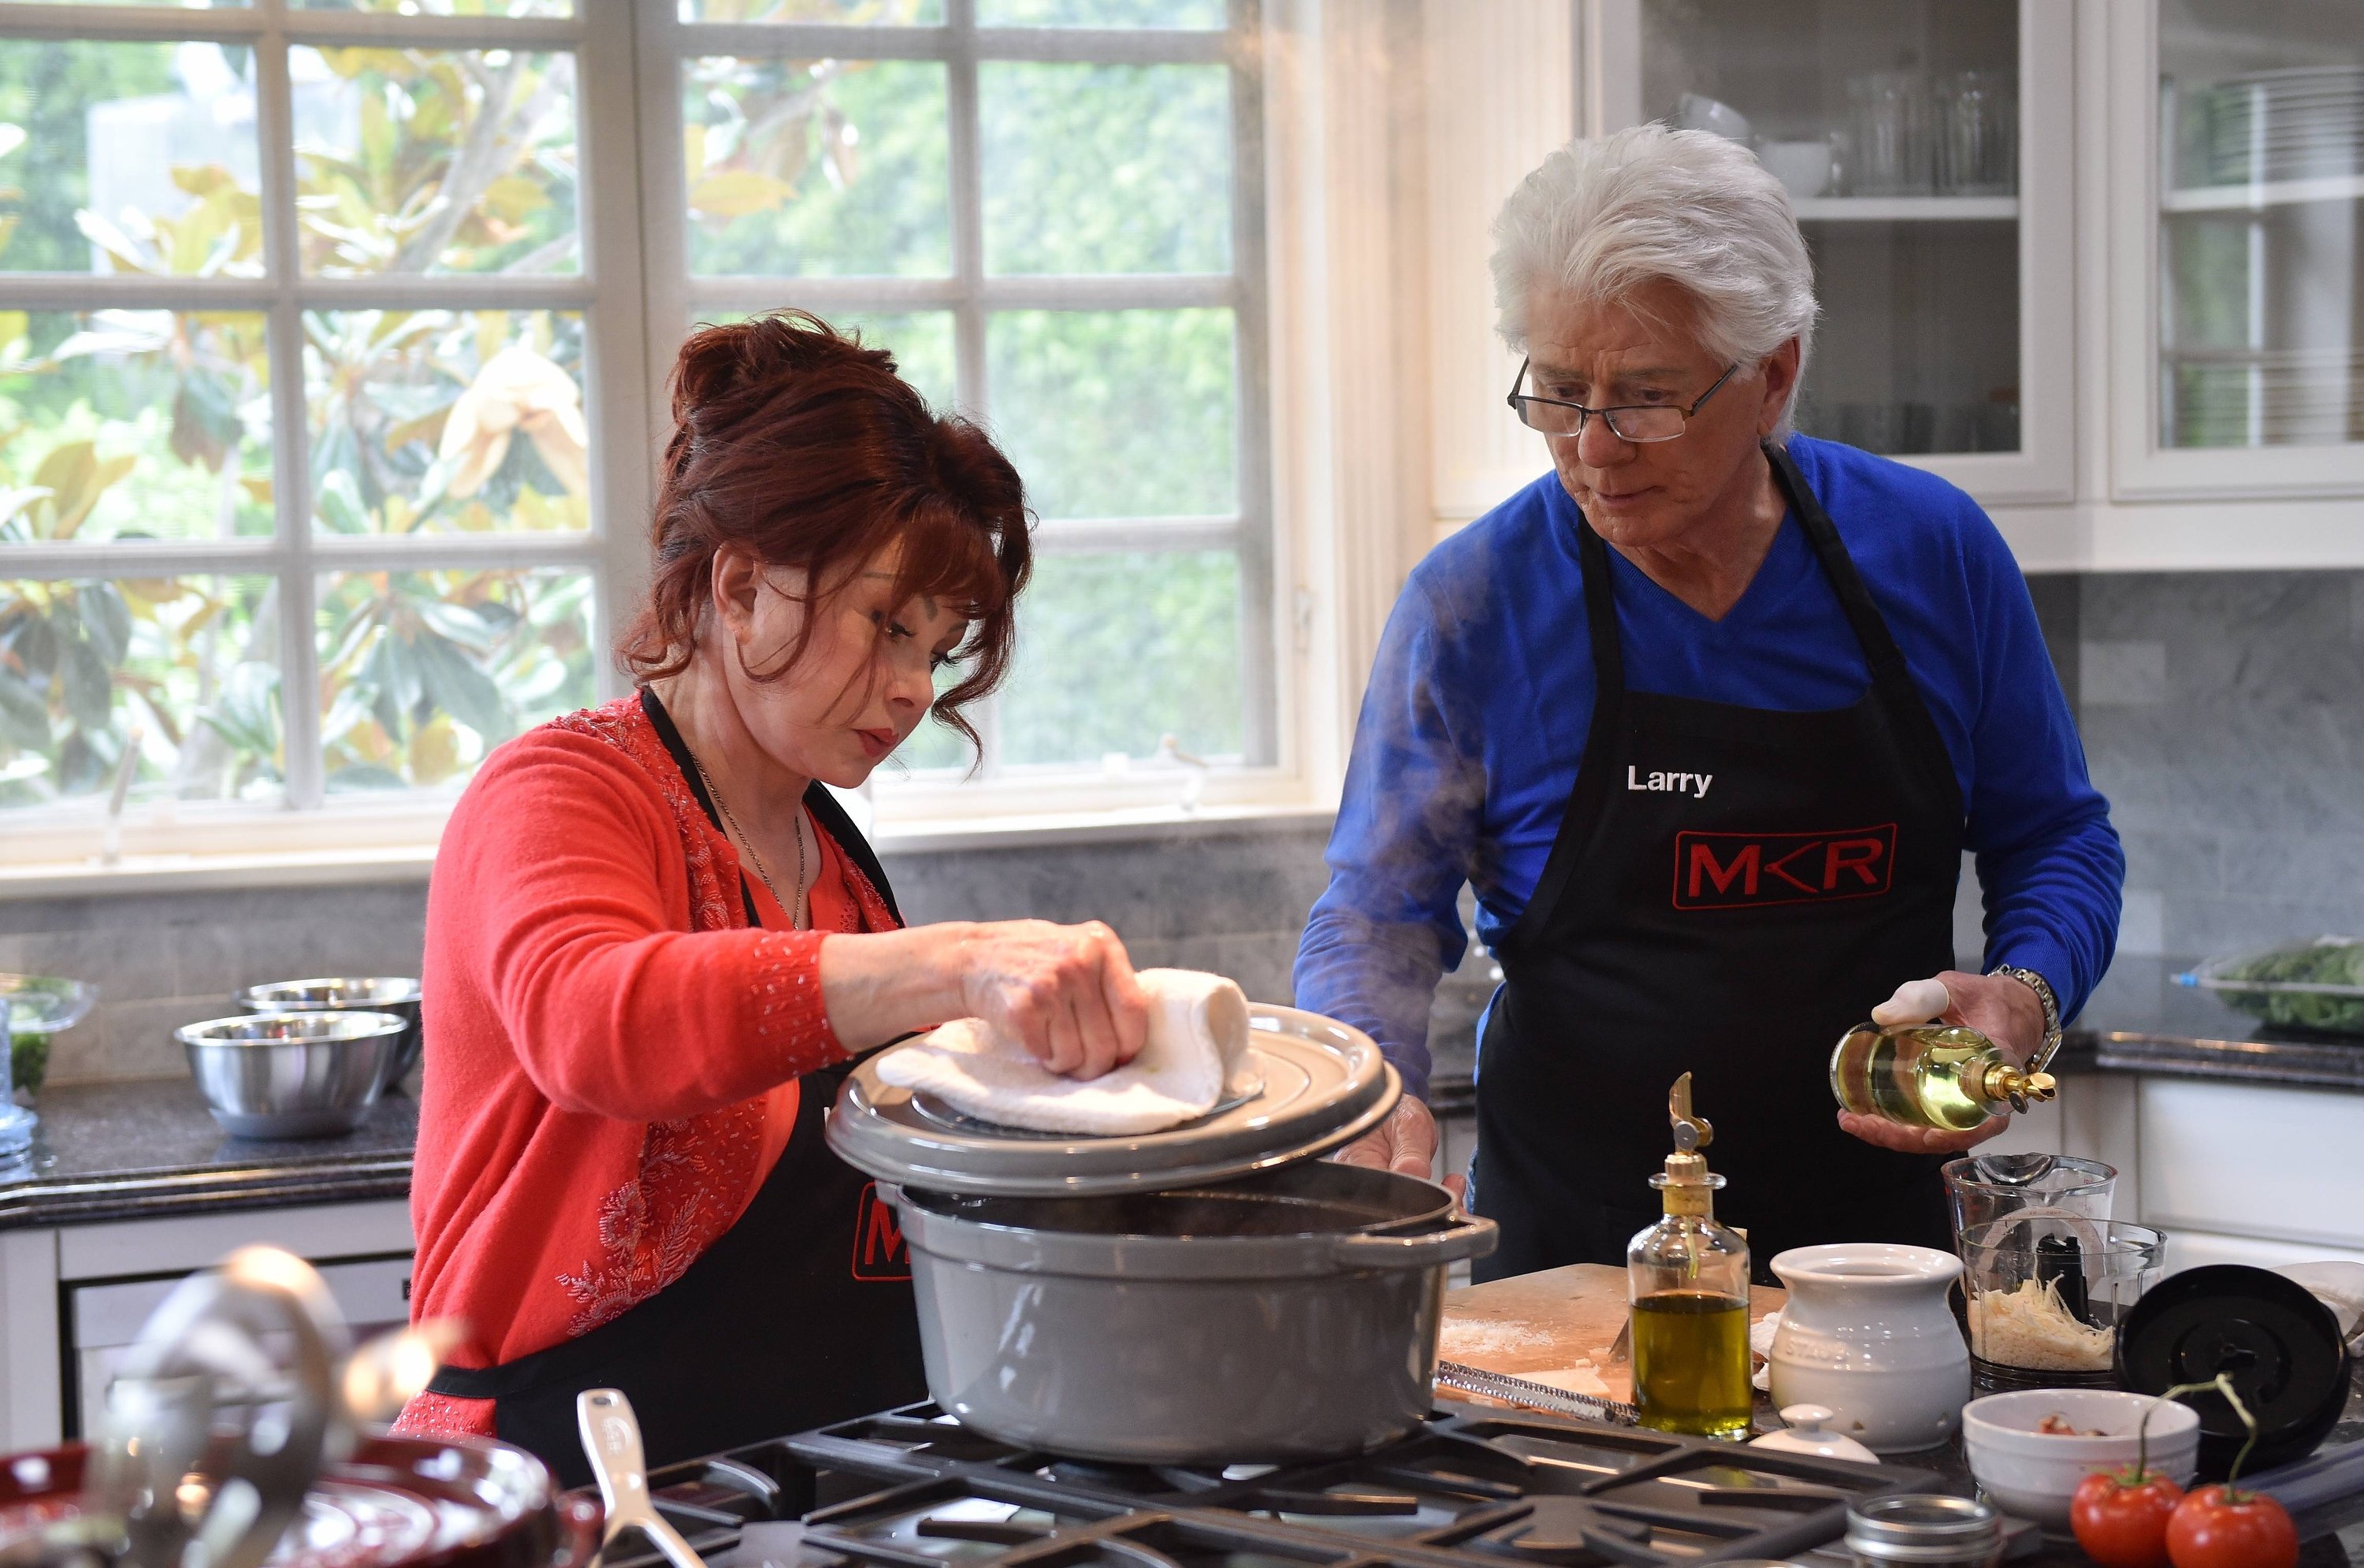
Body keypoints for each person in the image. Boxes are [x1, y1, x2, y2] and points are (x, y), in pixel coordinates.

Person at [1299, 126, 2124, 1281]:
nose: (1591, 448)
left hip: (1878, 1271)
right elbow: (1376, 914)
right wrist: (1369, 1092)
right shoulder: (1475, 604)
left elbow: (2057, 838)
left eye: (1644, 398)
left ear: (1775, 373)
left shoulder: (1932, 553)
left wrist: (2027, 996)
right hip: (1575, 1275)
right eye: (1557, 392)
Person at [392, 313, 1149, 1481]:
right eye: (888, 624)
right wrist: (957, 967)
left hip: (827, 1491)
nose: (910, 689)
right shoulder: (559, 793)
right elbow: (597, 1019)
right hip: (567, 1492)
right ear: (742, 585)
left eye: (938, 649)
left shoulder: (836, 871)